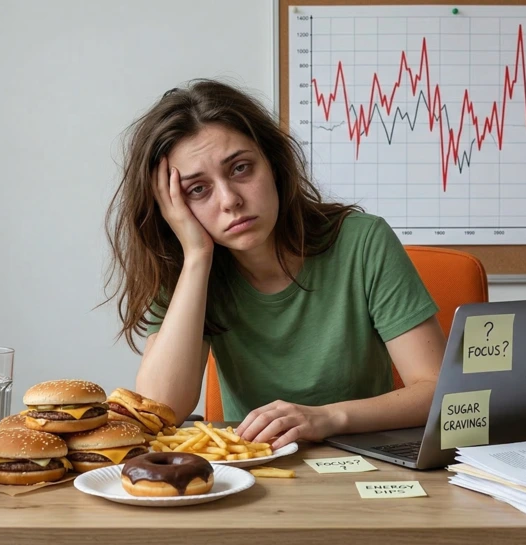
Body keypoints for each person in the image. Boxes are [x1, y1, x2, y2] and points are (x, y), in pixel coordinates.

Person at [103, 79, 446, 450]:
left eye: (240, 169)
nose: (230, 200)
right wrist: (198, 257)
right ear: (174, 208)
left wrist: (327, 417)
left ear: (273, 163)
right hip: (252, 474)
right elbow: (162, 408)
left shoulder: (363, 242)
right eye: (197, 190)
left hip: (364, 467)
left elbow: (439, 392)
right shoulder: (186, 268)